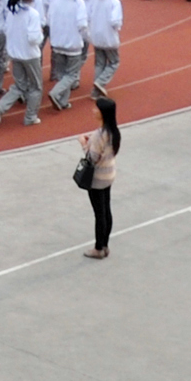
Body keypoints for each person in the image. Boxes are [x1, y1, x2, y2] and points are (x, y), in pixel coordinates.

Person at [78, 95, 120, 258]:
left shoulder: (99, 135)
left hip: (97, 178)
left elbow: (92, 158)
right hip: (109, 174)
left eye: (96, 109)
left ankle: (98, 248)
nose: (94, 111)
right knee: (106, 209)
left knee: (99, 213)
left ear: (102, 113)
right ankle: (105, 244)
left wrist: (83, 143)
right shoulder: (113, 132)